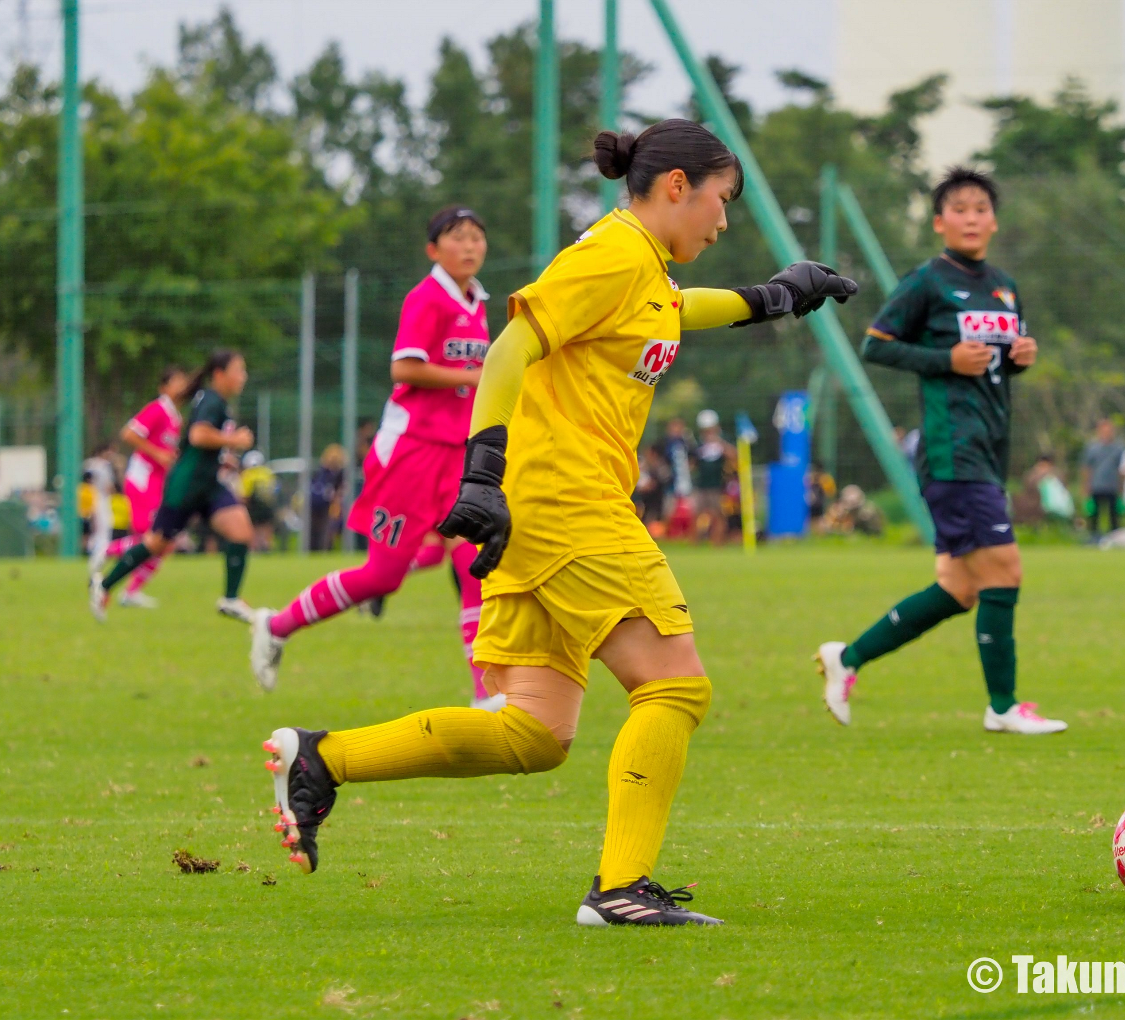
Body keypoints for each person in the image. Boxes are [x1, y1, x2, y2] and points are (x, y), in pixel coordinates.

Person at [257, 118, 856, 926]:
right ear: (677, 187)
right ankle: (621, 890)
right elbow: (510, 349)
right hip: (564, 501)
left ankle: (325, 759)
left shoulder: (640, 265)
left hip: (543, 513)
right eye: (721, 201)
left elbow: (673, 311)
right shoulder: (610, 253)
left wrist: (775, 296)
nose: (722, 222)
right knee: (674, 684)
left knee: (533, 734)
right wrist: (483, 471)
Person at [815, 165, 1066, 736]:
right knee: (1006, 570)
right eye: (959, 208)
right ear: (939, 222)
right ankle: (1003, 707)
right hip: (953, 452)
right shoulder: (928, 281)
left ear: (994, 221)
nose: (971, 217)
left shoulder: (1003, 285)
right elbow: (876, 344)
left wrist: (1019, 359)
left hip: (989, 448)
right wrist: (944, 360)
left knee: (960, 587)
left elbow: (995, 367)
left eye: (981, 208)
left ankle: (846, 658)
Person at [250, 204, 496, 707]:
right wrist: (474, 376)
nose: (470, 245)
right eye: (457, 236)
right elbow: (405, 368)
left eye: (477, 236)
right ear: (433, 250)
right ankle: (276, 625)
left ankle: (485, 692)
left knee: (475, 562)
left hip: (457, 453)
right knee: (383, 575)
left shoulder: (477, 301)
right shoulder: (427, 298)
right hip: (411, 453)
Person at [90, 350, 257, 622]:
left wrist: (224, 456)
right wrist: (233, 440)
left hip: (208, 484)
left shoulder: (215, 402)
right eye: (239, 370)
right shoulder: (211, 401)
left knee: (240, 530)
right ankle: (105, 585)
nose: (243, 376)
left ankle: (231, 599)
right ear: (219, 374)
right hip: (187, 486)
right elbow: (199, 435)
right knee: (156, 542)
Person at [96, 366, 188, 608]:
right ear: (164, 388)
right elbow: (129, 433)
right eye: (177, 381)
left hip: (157, 484)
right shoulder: (158, 408)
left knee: (163, 542)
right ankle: (104, 552)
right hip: (142, 480)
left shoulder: (176, 418)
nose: (182, 385)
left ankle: (131, 591)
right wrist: (158, 453)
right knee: (157, 538)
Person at [692, 409, 734, 544]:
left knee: (719, 515)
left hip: (718, 485)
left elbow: (734, 455)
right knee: (697, 514)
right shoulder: (698, 443)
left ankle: (718, 542)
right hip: (701, 484)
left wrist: (719, 442)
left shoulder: (723, 440)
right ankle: (695, 542)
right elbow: (692, 463)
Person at [1081, 418, 1124, 538]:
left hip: (1112, 486)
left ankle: (1114, 537)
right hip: (1096, 485)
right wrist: (1085, 487)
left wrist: (1122, 487)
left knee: (1114, 514)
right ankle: (1094, 537)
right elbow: (1086, 468)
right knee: (1094, 514)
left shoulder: (1119, 448)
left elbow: (1122, 469)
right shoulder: (1092, 448)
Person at [308, 444, 346, 551]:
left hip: (330, 506)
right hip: (315, 505)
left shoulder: (340, 474)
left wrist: (336, 503)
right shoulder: (320, 472)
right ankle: (313, 549)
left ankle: (325, 548)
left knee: (328, 529)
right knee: (314, 530)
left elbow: (340, 491)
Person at [240, 450, 278, 552]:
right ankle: (267, 548)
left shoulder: (247, 475)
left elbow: (245, 495)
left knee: (253, 530)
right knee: (267, 530)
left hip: (253, 507)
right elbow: (273, 491)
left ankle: (254, 549)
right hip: (267, 506)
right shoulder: (267, 473)